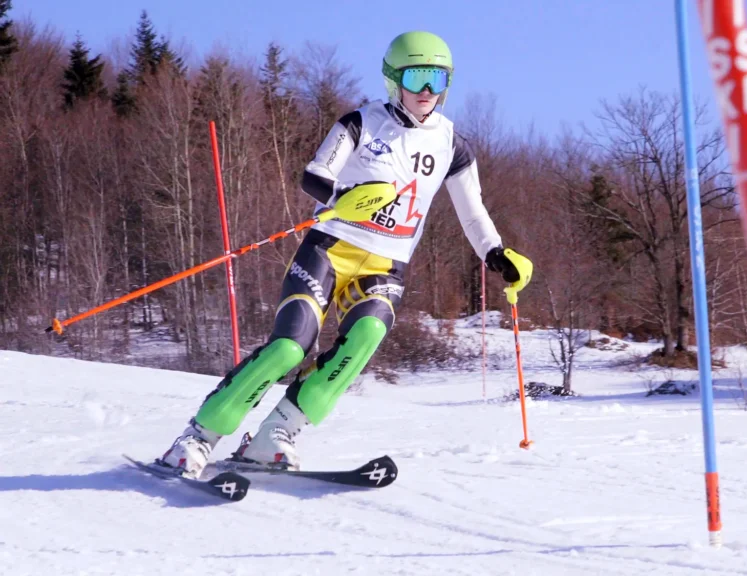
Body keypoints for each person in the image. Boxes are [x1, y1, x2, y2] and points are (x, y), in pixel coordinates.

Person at [157, 31, 532, 478]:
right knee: (289, 349)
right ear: (394, 79)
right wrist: (343, 196)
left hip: (385, 265)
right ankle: (198, 436)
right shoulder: (361, 122)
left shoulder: (453, 145)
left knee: (365, 337)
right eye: (417, 77)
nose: (427, 91)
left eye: (437, 78)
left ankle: (278, 431)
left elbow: (473, 214)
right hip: (330, 249)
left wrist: (496, 254)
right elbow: (314, 174)